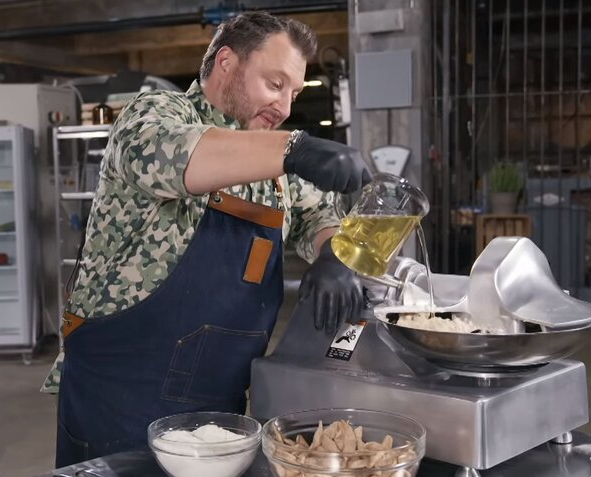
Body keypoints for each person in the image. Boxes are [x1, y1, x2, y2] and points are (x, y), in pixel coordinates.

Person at [43, 11, 371, 466]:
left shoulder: (274, 165)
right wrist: (295, 149)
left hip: (220, 398)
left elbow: (318, 214)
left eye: (294, 93)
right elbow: (181, 154)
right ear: (226, 63)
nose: (286, 107)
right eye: (275, 85)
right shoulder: (156, 114)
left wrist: (334, 252)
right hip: (120, 391)